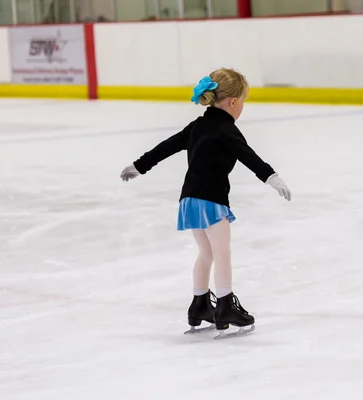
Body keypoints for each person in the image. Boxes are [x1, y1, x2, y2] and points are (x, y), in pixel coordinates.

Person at [120, 68, 291, 338]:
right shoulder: (226, 130)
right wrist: (271, 176)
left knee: (206, 254)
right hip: (211, 200)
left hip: (189, 199)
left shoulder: (197, 126)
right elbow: (248, 156)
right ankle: (224, 307)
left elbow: (166, 146)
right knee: (222, 253)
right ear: (233, 102)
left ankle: (200, 305)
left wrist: (139, 166)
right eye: (243, 101)